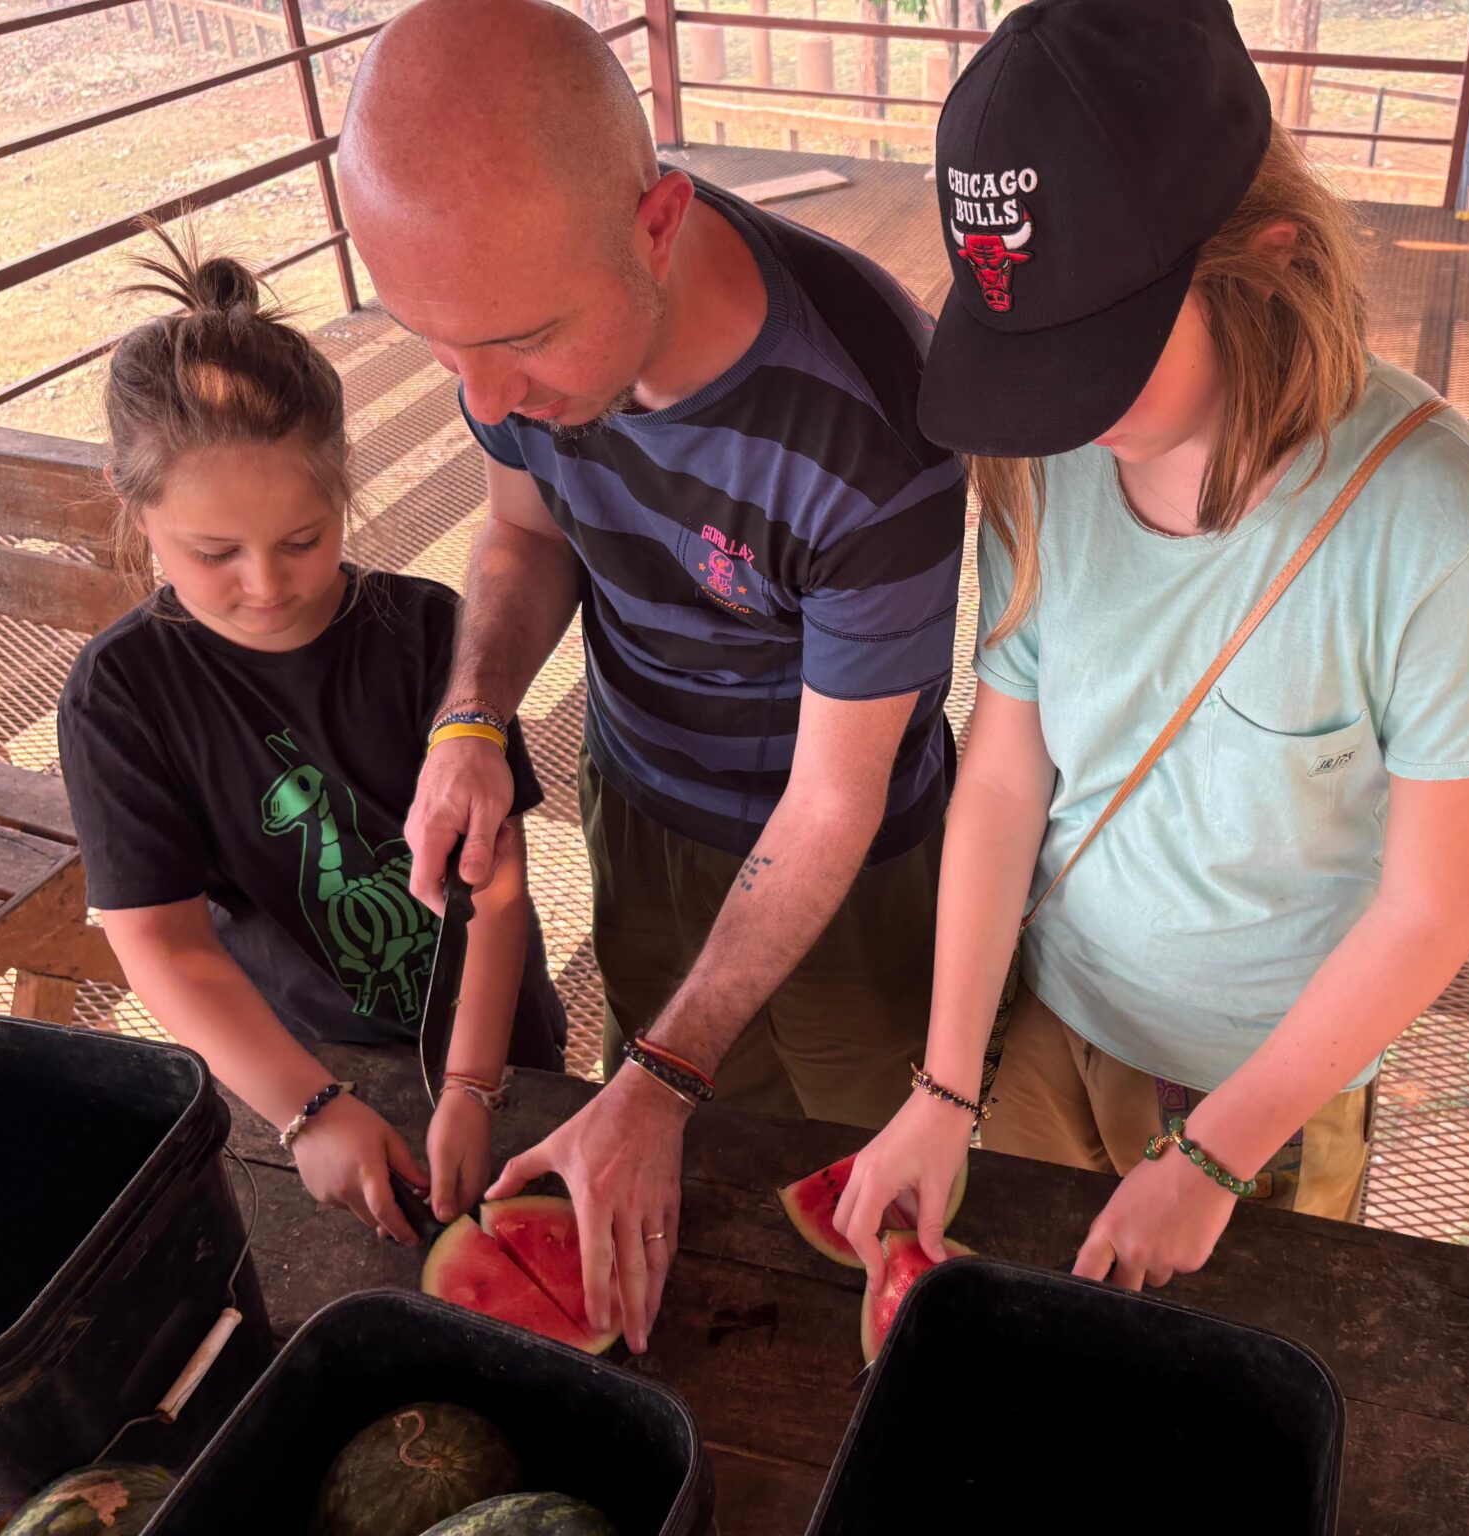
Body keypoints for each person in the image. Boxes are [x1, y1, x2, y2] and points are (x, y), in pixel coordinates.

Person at [837, 0, 1469, 1292]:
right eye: (1026, 354)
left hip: (1265, 1091)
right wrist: (947, 1084)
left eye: (1097, 352)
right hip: (1058, 1017)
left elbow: (1433, 902)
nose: (1055, 410)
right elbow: (1008, 776)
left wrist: (1222, 1153)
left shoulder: (1440, 524)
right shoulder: (1044, 465)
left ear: (1267, 261)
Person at [336, 0, 966, 1352]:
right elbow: (522, 527)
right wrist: (472, 715)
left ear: (659, 223)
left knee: (863, 1162)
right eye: (437, 346)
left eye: (521, 342)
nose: (484, 398)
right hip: (644, 801)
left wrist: (663, 1073)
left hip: (857, 865)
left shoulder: (877, 435)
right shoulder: (497, 312)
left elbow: (830, 806)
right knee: (661, 1118)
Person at [58, 231, 568, 1245]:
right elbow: (158, 940)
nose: (267, 583)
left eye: (302, 539)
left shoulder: (431, 634)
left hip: (498, 1038)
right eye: (215, 553)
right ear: (132, 503)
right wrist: (308, 1108)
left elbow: (496, 884)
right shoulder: (118, 696)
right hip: (297, 1063)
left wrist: (472, 1079)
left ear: (341, 486)